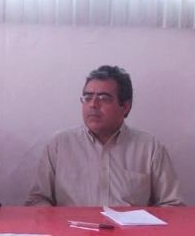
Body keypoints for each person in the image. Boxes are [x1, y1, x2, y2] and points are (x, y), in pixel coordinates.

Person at [25, 65, 184, 207]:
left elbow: (172, 205)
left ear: (125, 106)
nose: (93, 104)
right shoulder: (59, 145)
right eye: (87, 97)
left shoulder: (149, 147)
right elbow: (37, 200)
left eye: (103, 98)